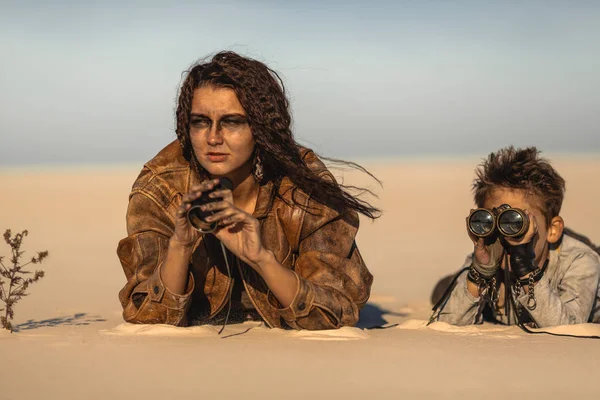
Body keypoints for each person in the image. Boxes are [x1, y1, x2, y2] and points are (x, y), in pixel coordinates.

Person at [116, 51, 379, 331]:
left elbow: (333, 312)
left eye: (232, 122)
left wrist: (262, 259)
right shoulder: (161, 187)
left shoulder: (303, 186)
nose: (213, 138)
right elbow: (147, 316)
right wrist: (179, 247)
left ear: (260, 128)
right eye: (200, 122)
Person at [430, 146, 600, 328]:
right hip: (524, 262)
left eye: (515, 223)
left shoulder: (579, 261)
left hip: (565, 255)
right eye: (495, 222)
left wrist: (525, 266)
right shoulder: (487, 257)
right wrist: (480, 273)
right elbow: (447, 325)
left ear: (552, 229)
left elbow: (567, 327)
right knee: (441, 291)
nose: (504, 235)